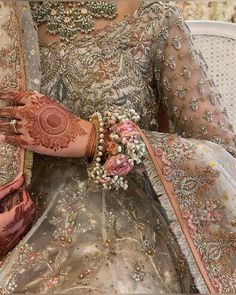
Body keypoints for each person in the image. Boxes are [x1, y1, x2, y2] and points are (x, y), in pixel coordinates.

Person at [0, 0, 235, 293]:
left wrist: (96, 139)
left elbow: (223, 156)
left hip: (123, 230)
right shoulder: (7, 17)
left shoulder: (153, 16)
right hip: (17, 225)